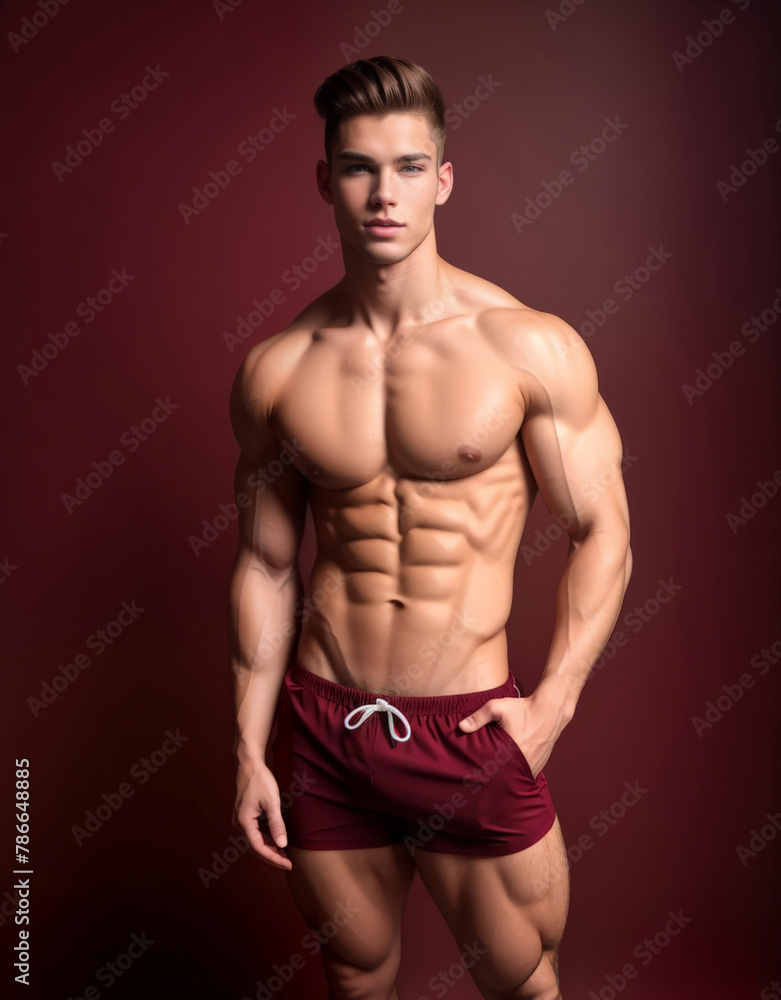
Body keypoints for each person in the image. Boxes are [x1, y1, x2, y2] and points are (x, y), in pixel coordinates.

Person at [229, 55, 632, 1000]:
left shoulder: (525, 346)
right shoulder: (279, 370)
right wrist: (248, 748)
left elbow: (602, 530)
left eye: (409, 167)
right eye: (360, 167)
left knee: (521, 979)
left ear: (442, 179)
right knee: (355, 972)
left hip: (466, 729)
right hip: (326, 724)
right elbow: (265, 563)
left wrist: (556, 703)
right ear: (326, 179)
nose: (384, 192)